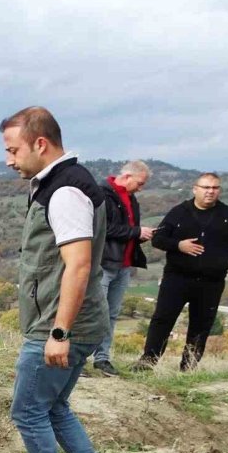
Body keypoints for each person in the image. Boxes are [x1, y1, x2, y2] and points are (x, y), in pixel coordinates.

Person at [0, 106, 125, 453]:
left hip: (58, 324)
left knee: (28, 410)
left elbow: (80, 264)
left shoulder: (65, 190)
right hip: (75, 321)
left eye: (14, 150)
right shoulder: (62, 183)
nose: (9, 160)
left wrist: (59, 332)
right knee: (53, 407)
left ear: (40, 143)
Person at [133, 173, 228, 371]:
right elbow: (158, 239)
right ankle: (147, 363)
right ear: (195, 189)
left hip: (211, 282)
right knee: (162, 319)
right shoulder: (179, 212)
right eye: (206, 187)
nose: (210, 192)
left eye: (215, 188)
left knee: (201, 325)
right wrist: (178, 245)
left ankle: (188, 368)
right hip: (177, 278)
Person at [90, 161, 154, 376]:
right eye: (140, 183)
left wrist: (139, 235)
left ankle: (102, 358)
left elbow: (125, 231)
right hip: (104, 263)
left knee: (111, 314)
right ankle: (76, 358)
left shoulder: (131, 198)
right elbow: (103, 228)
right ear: (127, 176)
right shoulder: (101, 194)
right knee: (93, 311)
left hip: (123, 266)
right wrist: (136, 232)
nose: (141, 188)